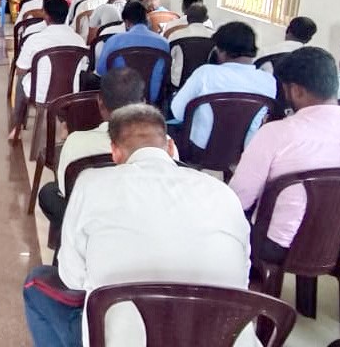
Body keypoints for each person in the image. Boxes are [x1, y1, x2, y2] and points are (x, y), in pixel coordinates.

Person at [24, 104, 255, 347]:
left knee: (37, 283)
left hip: (118, 340)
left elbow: (72, 279)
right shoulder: (222, 193)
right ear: (170, 148)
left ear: (115, 153)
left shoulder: (91, 184)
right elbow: (242, 278)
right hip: (223, 340)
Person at [228, 46, 340, 260]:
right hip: (339, 248)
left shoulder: (276, 134)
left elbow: (239, 199)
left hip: (275, 246)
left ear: (296, 91)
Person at [36, 67, 147, 237]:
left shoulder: (77, 142)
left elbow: (66, 193)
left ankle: (70, 248)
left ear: (100, 103)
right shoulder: (165, 144)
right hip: (141, 223)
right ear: (144, 104)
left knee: (49, 193)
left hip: (90, 226)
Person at [170, 21, 277, 150]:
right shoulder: (268, 81)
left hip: (199, 149)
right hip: (242, 150)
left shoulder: (205, 73)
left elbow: (177, 112)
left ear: (221, 51)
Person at [9, 0, 87, 140]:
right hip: (69, 94)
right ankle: (65, 122)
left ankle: (18, 125)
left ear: (46, 15)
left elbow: (20, 69)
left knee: (21, 78)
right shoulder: (78, 40)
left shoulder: (35, 39)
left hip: (39, 94)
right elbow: (82, 67)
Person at [95, 1, 170, 103]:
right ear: (147, 19)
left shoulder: (113, 41)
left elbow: (101, 70)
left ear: (127, 23)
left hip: (120, 100)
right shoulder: (164, 43)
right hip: (153, 99)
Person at [166, 2, 216, 86]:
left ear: (187, 18)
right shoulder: (215, 37)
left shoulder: (175, 36)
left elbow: (167, 59)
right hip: (205, 84)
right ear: (206, 18)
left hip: (179, 84)